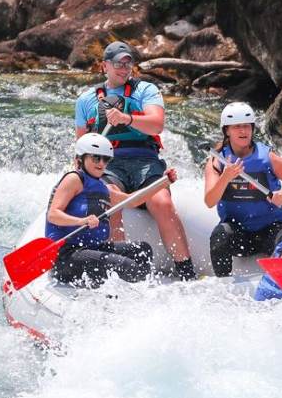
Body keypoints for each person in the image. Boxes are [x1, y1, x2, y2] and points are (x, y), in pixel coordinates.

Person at [74, 40, 195, 280]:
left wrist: (126, 118)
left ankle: (186, 272)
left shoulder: (145, 91)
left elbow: (156, 124)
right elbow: (81, 145)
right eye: (118, 64)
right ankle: (120, 271)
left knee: (162, 202)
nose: (124, 68)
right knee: (110, 198)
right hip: (108, 163)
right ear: (104, 66)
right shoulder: (86, 100)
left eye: (128, 64)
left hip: (145, 161)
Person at [46, 133, 174, 287]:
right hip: (67, 255)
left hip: (91, 248)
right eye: (96, 158)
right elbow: (53, 214)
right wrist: (81, 221)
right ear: (80, 159)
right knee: (128, 266)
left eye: (106, 159)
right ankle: (121, 291)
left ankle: (133, 291)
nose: (101, 163)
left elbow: (132, 201)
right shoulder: (73, 179)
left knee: (142, 250)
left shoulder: (102, 187)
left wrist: (162, 182)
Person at [203, 102, 282, 276]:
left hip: (272, 229)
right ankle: (223, 282)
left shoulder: (268, 157)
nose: (243, 131)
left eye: (247, 126)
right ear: (227, 131)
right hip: (238, 232)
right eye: (237, 126)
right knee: (219, 236)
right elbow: (210, 201)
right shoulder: (217, 161)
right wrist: (225, 177)